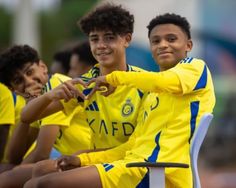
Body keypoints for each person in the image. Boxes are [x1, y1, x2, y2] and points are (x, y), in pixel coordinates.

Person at [23, 13, 215, 188]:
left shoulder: (194, 67)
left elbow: (161, 81)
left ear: (188, 45)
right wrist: (83, 160)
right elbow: (132, 146)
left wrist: (112, 79)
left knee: (40, 185)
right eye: (156, 41)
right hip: (134, 164)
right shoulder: (153, 94)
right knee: (40, 172)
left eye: (171, 39)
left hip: (154, 170)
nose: (163, 45)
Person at [0, 45, 91, 187]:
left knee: (6, 179)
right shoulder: (37, 100)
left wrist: (14, 173)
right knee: (7, 170)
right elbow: (14, 156)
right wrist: (29, 105)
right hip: (71, 161)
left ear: (42, 67)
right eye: (19, 81)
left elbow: (42, 152)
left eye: (29, 72)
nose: (29, 81)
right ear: (14, 90)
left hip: (87, 160)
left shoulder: (56, 85)